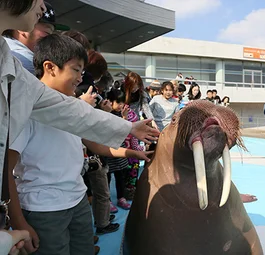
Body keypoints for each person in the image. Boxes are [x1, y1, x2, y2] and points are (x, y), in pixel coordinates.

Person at [0, 1, 157, 254]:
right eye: (76, 70)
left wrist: (130, 138)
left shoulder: (50, 96)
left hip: (76, 200)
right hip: (44, 209)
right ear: (50, 67)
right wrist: (18, 221)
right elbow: (7, 168)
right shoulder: (28, 107)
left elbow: (82, 125)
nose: (42, 6)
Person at [2, 1, 69, 74]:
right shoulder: (26, 61)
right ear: (21, 30)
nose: (50, 39)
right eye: (47, 32)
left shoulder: (5, 47)